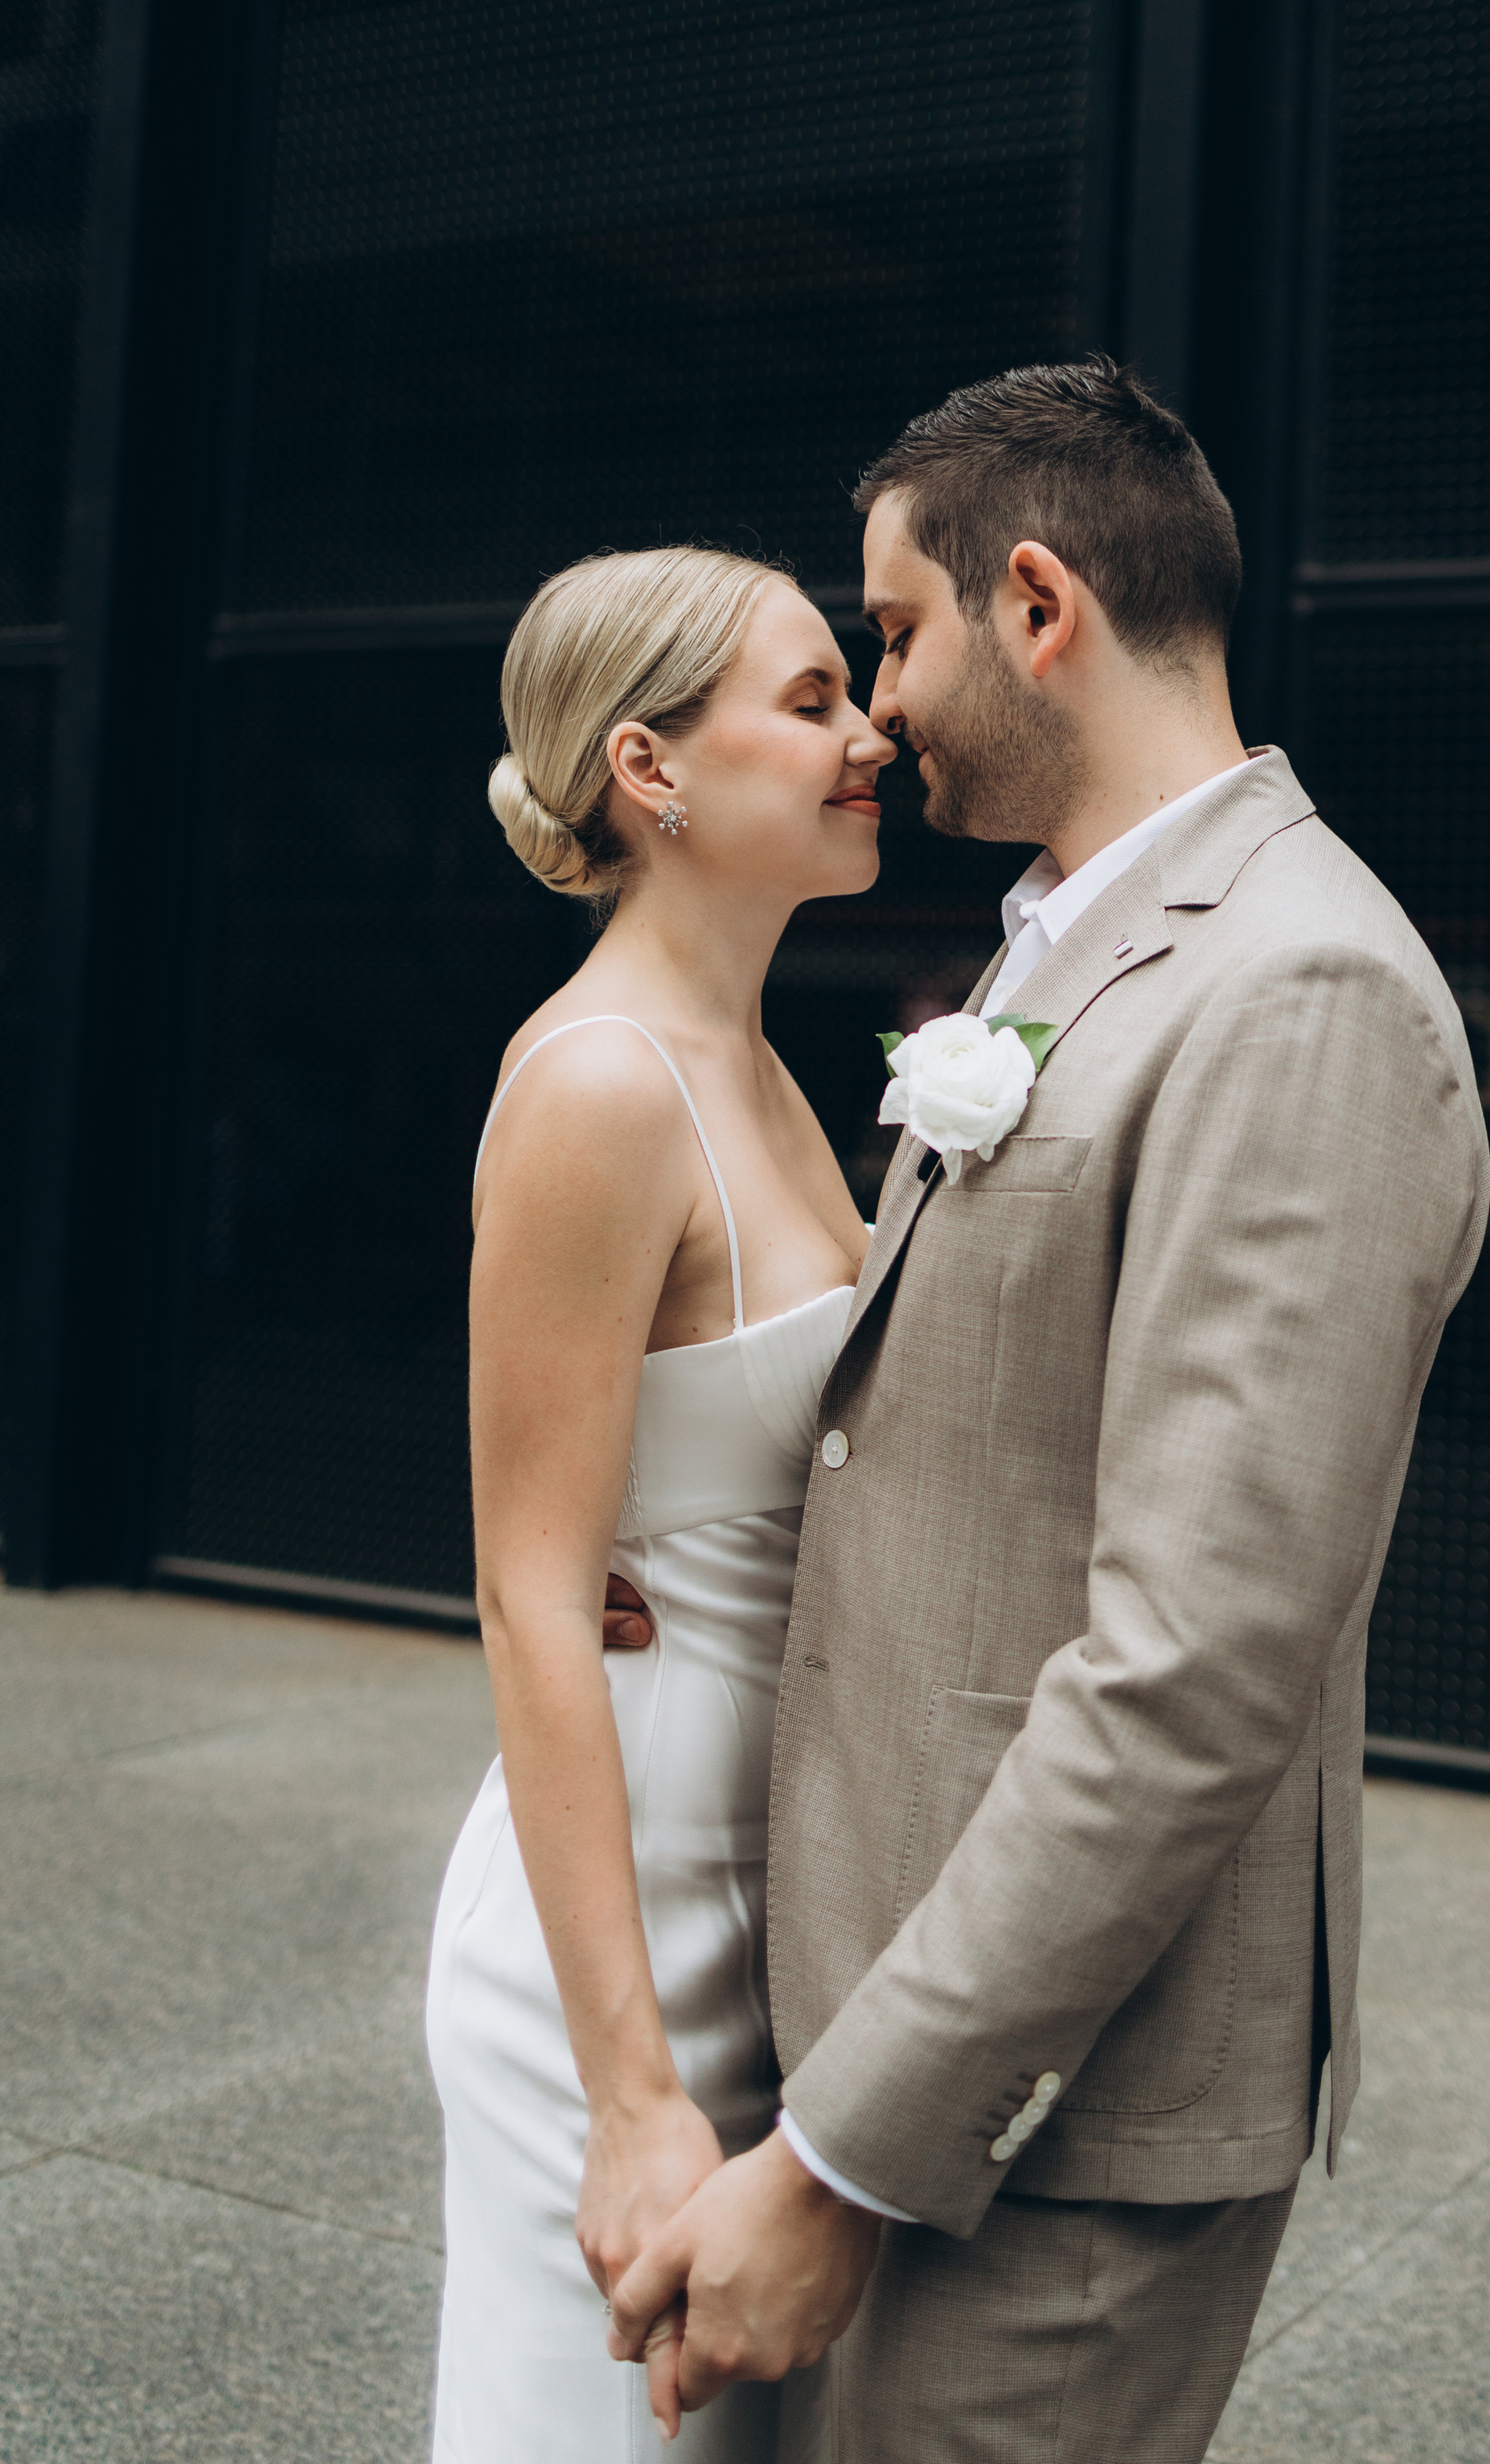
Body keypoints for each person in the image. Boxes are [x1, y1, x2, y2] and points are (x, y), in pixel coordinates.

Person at [606, 359, 1490, 2462]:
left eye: (892, 634)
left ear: (1036, 603)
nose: (877, 709)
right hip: (885, 2008)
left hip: (1048, 2127)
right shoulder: (1063, 943)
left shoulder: (1305, 991)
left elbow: (1189, 1672)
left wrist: (847, 2157)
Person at [425, 545, 893, 2462]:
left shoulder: (760, 1070)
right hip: (610, 1951)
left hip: (771, 1888)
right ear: (650, 768)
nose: (874, 732)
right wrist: (630, 2091)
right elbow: (535, 1597)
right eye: (809, 701)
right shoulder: (603, 1085)